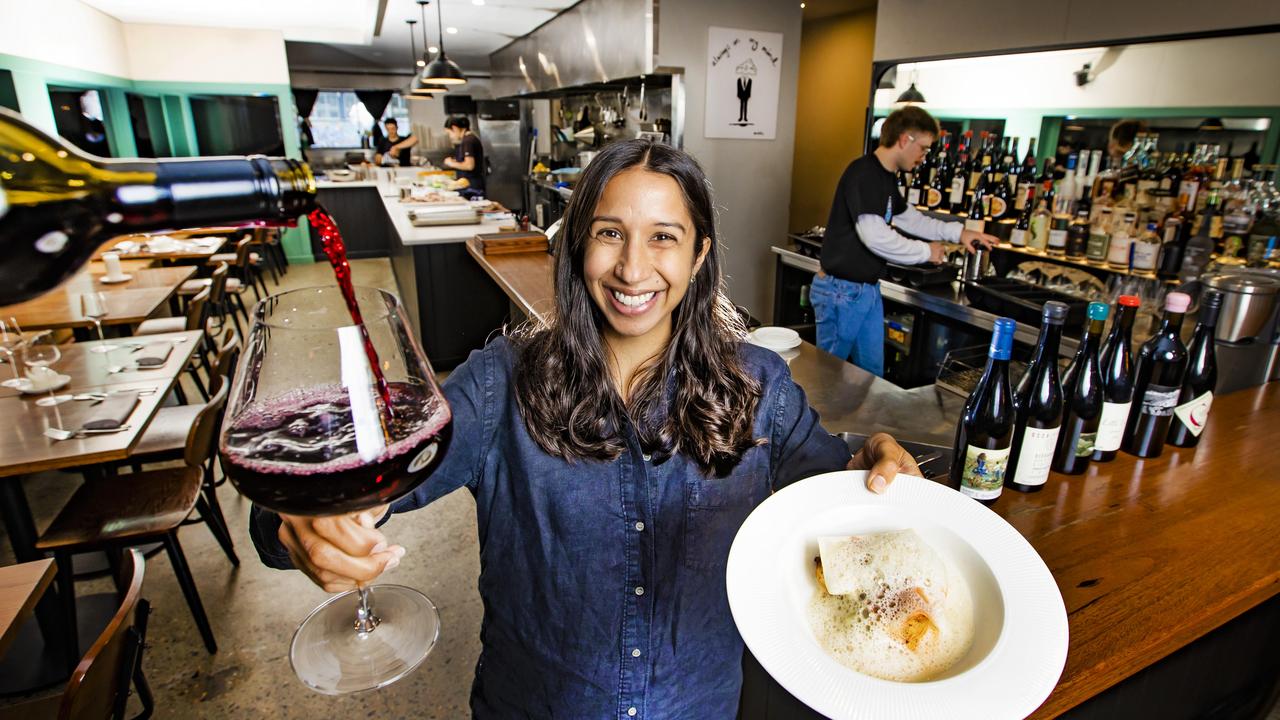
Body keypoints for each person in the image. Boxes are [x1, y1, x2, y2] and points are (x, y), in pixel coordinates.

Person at [250, 138, 921, 717]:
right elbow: (358, 484)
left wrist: (877, 460)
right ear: (578, 245)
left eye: (664, 236)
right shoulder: (500, 383)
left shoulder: (759, 386)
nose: (633, 268)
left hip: (700, 706)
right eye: (609, 233)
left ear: (698, 255)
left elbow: (840, 488)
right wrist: (305, 521)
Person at [812, 106, 995, 376]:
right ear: (904, 139)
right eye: (923, 147)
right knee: (826, 377)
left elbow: (912, 220)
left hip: (865, 291)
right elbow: (875, 236)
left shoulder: (885, 178)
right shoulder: (864, 174)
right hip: (841, 292)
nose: (924, 156)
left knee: (871, 378)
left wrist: (960, 233)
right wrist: (926, 252)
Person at [442, 115, 485, 194]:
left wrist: (451, 163)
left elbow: (469, 166)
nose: (450, 137)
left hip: (472, 188)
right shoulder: (470, 138)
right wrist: (456, 161)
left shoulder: (468, 141)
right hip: (470, 185)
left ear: (454, 128)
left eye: (449, 133)